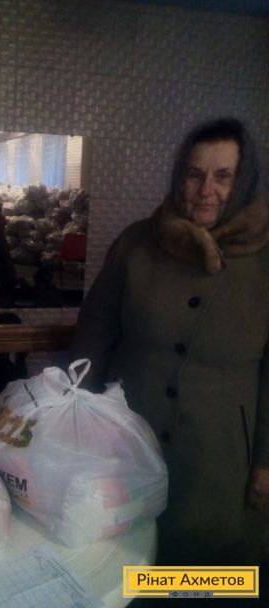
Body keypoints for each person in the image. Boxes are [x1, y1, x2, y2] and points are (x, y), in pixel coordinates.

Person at [70, 117, 269, 569]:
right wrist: (76, 417)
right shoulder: (136, 243)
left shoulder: (265, 261)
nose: (206, 190)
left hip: (220, 459)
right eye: (195, 174)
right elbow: (95, 332)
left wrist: (265, 460)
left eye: (223, 176)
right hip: (126, 445)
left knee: (212, 580)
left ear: (243, 182)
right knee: (125, 567)